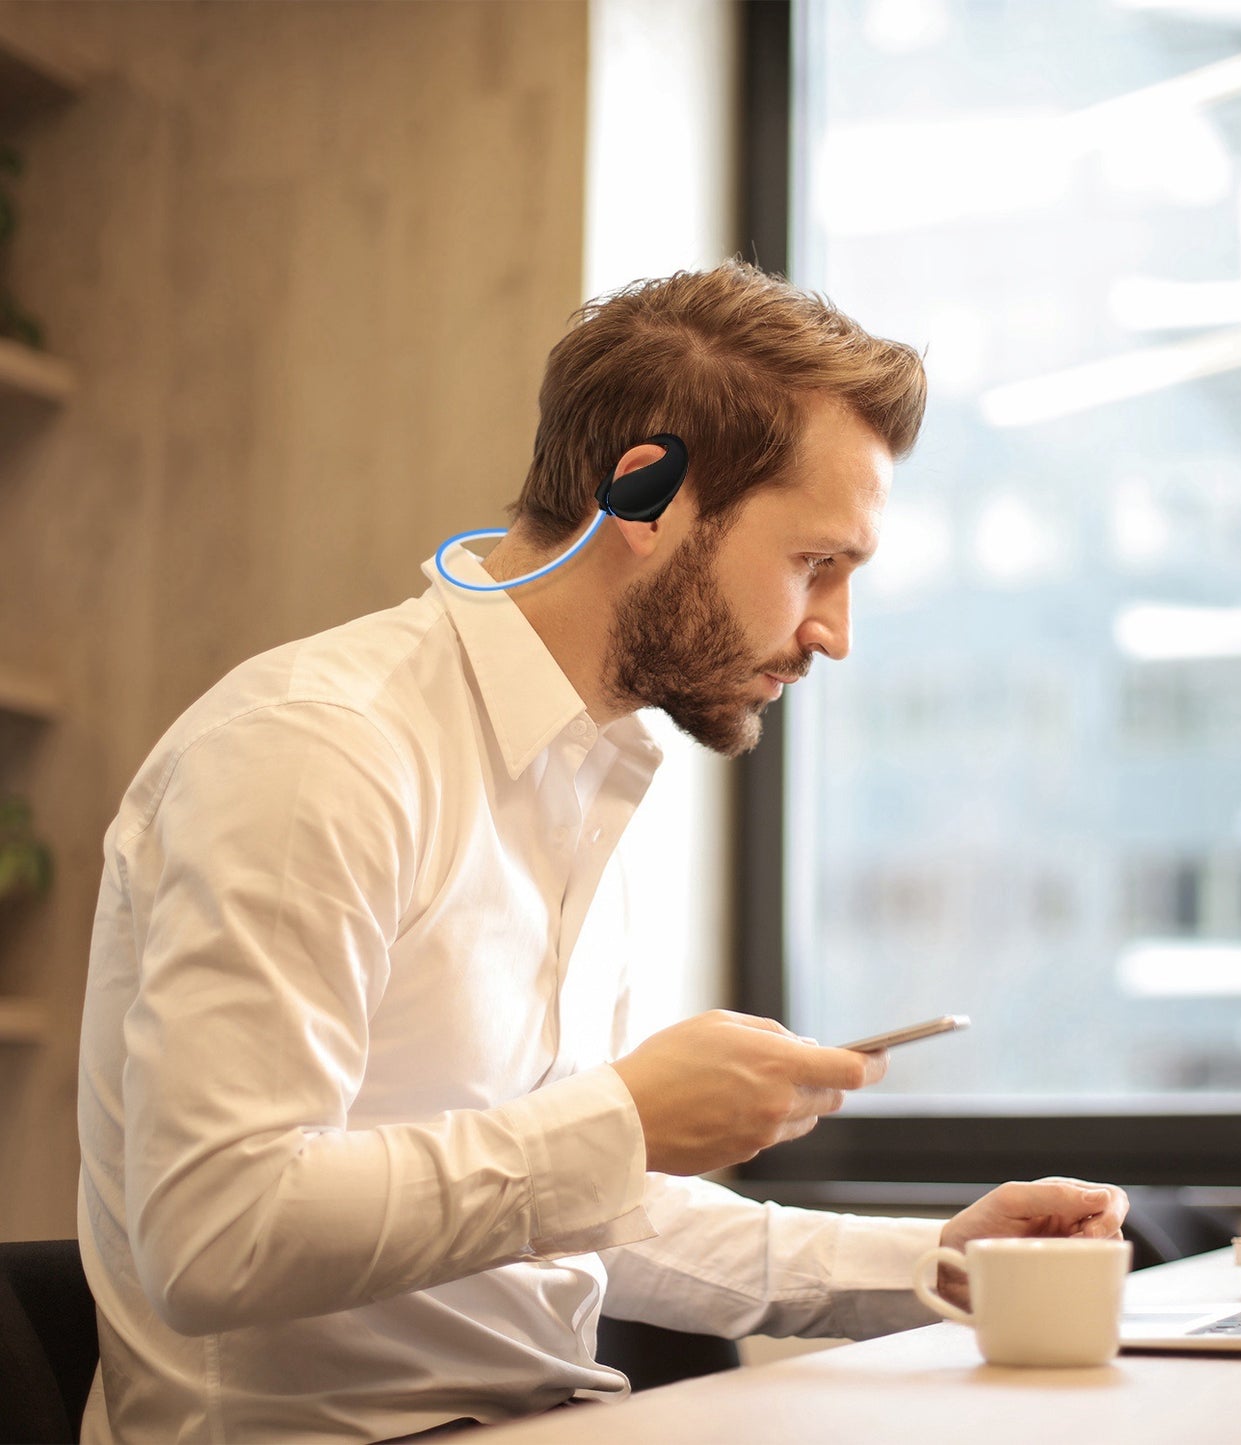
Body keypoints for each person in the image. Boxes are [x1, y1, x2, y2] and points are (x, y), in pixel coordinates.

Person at [77, 262, 1128, 1444]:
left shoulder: (585, 774)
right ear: (645, 496)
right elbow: (215, 1234)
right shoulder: (317, 752)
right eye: (813, 564)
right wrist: (621, 1118)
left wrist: (927, 1260)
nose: (833, 632)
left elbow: (558, 1206)